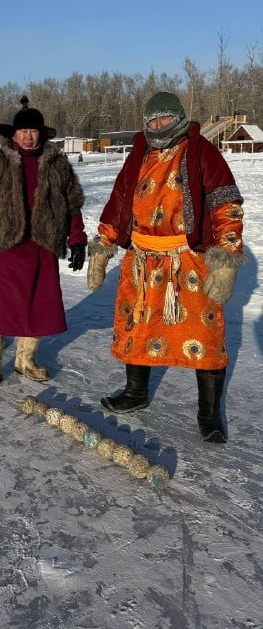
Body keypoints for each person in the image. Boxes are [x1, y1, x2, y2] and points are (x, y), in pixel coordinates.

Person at [87, 91, 246, 442]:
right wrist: (102, 246)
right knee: (137, 327)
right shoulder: (138, 154)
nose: (158, 125)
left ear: (178, 118)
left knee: (205, 337)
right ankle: (136, 393)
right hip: (142, 261)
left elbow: (226, 205)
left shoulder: (201, 150)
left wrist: (226, 258)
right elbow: (119, 205)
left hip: (187, 262)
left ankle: (209, 414)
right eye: (152, 120)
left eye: (164, 118)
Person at [0, 96, 88, 391]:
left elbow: (73, 205)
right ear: (13, 134)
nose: (29, 136)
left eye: (34, 131)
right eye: (23, 131)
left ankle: (25, 360)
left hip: (41, 249)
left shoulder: (57, 164)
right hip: (3, 250)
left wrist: (78, 240)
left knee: (38, 309)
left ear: (41, 133)